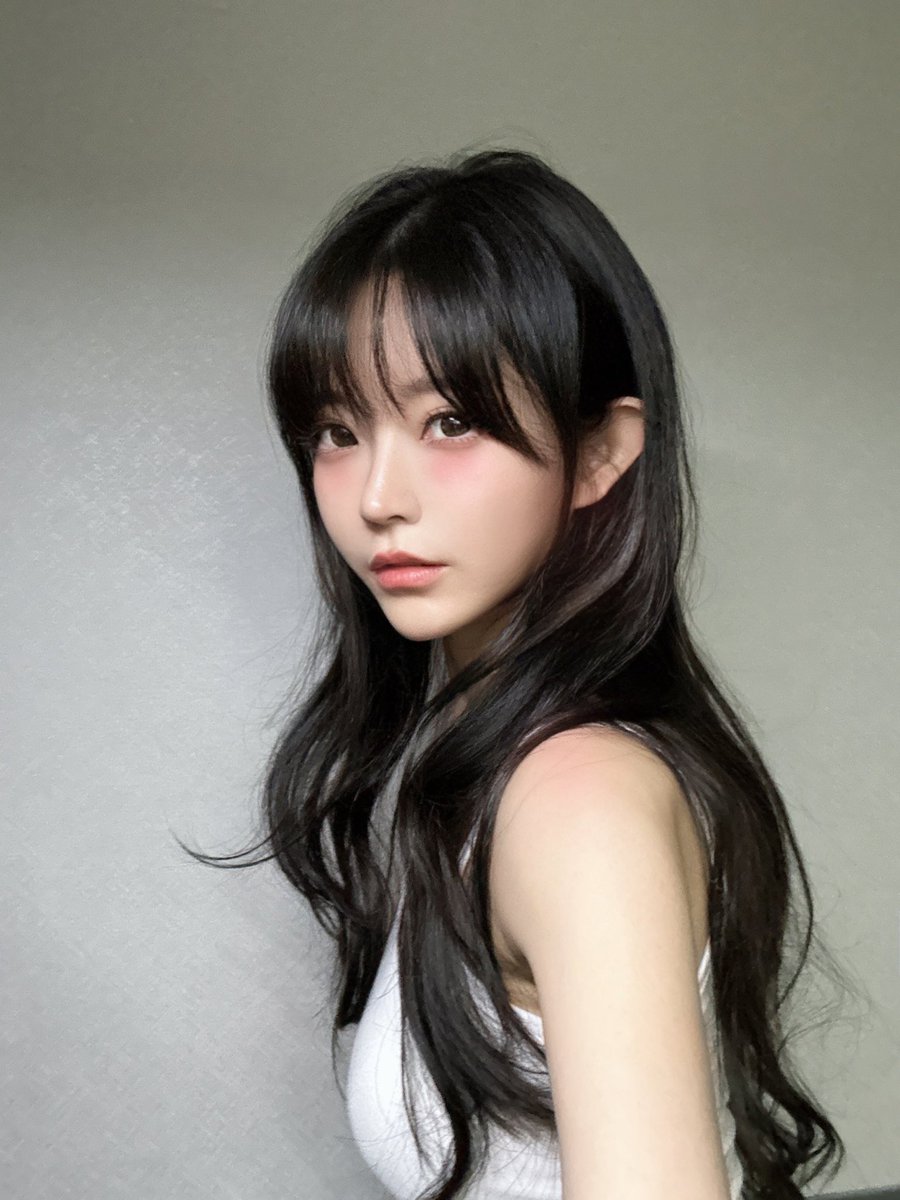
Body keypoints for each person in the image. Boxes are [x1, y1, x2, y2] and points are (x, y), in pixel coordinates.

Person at [182, 147, 852, 1199]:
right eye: (338, 432)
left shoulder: (576, 796)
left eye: (449, 421)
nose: (377, 497)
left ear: (601, 452)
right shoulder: (487, 757)